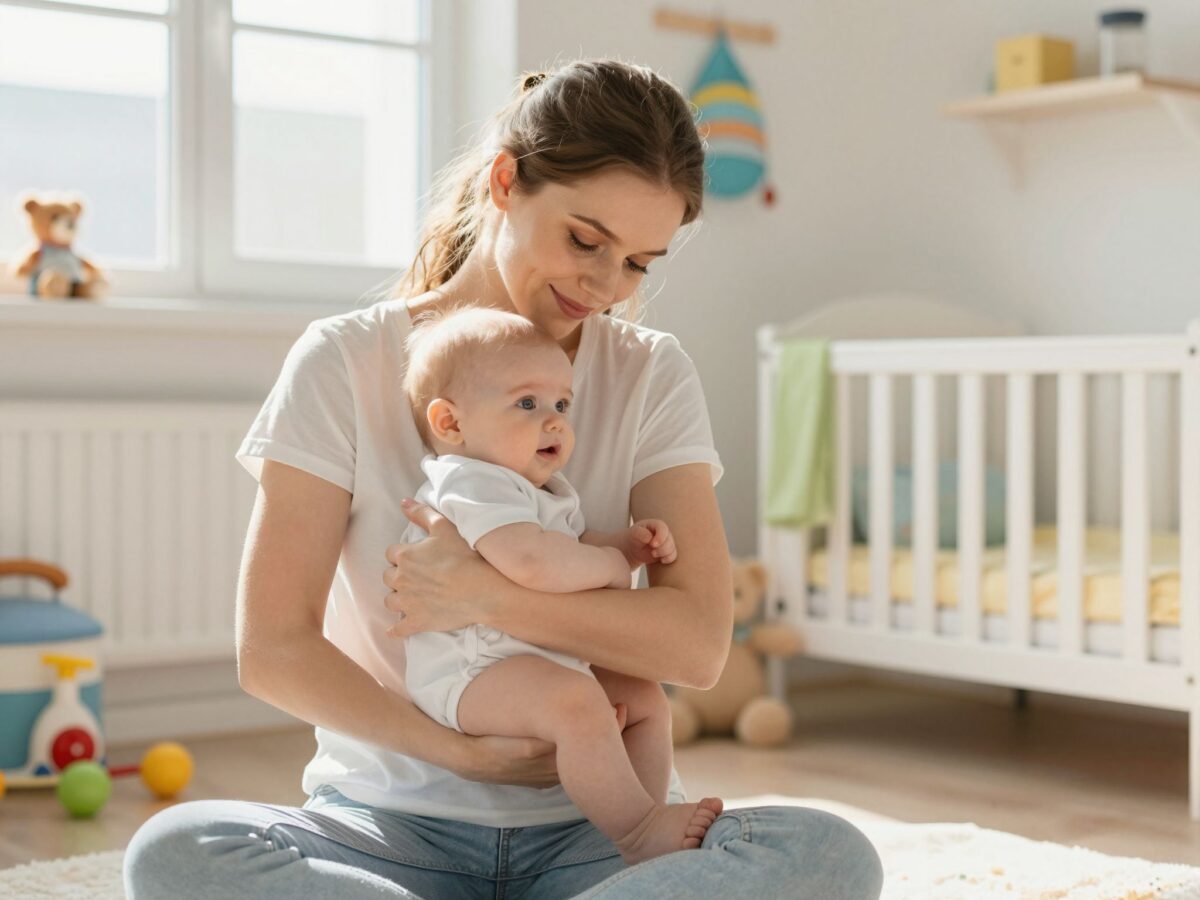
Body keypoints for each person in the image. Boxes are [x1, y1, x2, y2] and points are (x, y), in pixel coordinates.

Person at [124, 59, 884, 899]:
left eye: (638, 263)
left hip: (600, 837)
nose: (604, 286)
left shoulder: (649, 373)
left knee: (828, 855)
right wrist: (459, 753)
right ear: (505, 182)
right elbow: (272, 648)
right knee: (179, 849)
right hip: (384, 823)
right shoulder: (346, 359)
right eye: (584, 241)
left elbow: (697, 644)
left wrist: (492, 599)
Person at [398, 306, 721, 863]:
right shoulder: (470, 480)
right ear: (450, 423)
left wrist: (622, 544)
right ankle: (637, 830)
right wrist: (615, 567)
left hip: (529, 659)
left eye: (561, 404)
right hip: (472, 671)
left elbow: (565, 547)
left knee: (642, 698)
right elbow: (534, 564)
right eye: (527, 403)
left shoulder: (542, 490)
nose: (553, 421)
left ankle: (646, 812)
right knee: (574, 700)